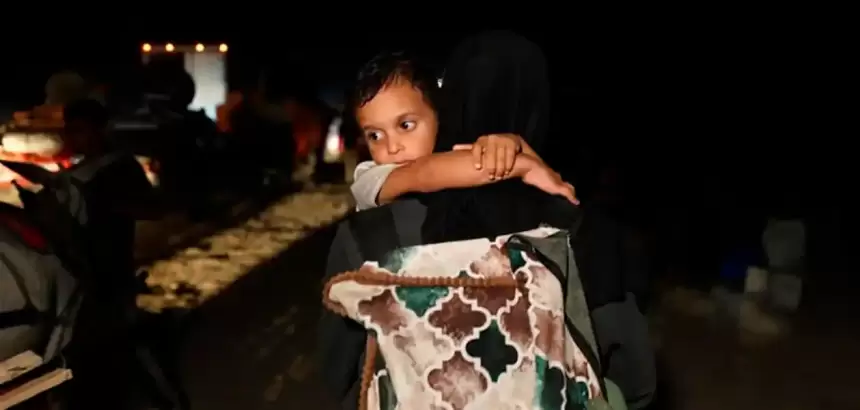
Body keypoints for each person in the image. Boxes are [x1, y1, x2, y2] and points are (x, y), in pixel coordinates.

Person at [347, 51, 577, 211]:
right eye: (375, 136)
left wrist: (514, 144)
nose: (392, 147)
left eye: (405, 125)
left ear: (438, 117)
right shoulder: (369, 178)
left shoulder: (459, 150)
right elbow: (424, 173)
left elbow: (548, 188)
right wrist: (523, 165)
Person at [59, 98, 171, 409]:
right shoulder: (78, 169)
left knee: (124, 348)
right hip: (76, 275)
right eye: (69, 131)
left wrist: (104, 202)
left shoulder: (120, 167)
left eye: (80, 131)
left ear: (100, 129)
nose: (72, 138)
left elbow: (152, 208)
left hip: (109, 273)